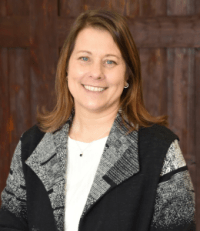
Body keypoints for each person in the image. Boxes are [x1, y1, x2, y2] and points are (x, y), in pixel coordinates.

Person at [0, 8, 196, 231]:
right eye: (84, 58)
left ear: (127, 76)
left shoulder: (161, 149)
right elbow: (10, 224)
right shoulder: (32, 145)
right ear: (66, 68)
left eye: (110, 62)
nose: (96, 73)